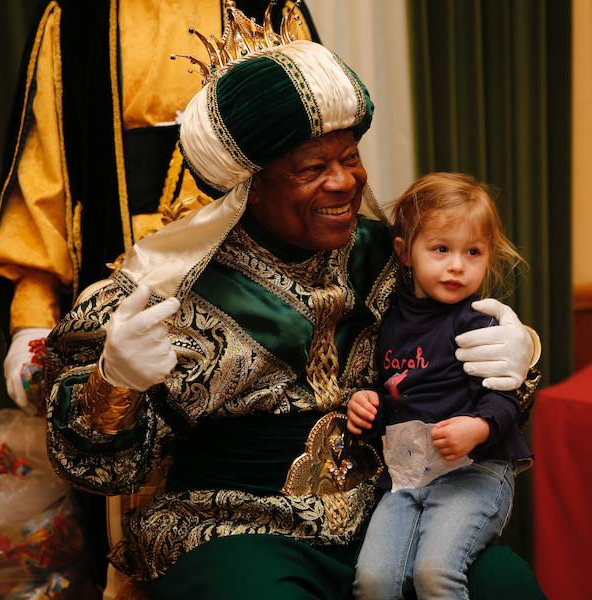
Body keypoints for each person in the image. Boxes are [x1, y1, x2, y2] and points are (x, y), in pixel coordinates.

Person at [43, 8, 543, 598]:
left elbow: (469, 378)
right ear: (246, 187)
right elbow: (100, 469)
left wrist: (523, 354)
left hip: (388, 506)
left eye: (350, 157)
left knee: (505, 584)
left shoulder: (395, 254)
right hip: (231, 527)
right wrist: (113, 383)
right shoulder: (157, 292)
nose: (344, 182)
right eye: (311, 167)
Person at [0, 0, 319, 414]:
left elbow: (316, 158)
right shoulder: (75, 19)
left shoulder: (267, 6)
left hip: (255, 285)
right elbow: (44, 179)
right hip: (120, 271)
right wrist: (31, 320)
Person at [347, 173, 534, 599]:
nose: (457, 265)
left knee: (435, 574)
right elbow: (395, 398)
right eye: (441, 249)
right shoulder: (387, 320)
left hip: (475, 470)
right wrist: (368, 406)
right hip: (407, 475)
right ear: (404, 252)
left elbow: (506, 401)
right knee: (374, 583)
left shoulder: (481, 321)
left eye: (473, 252)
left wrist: (479, 427)